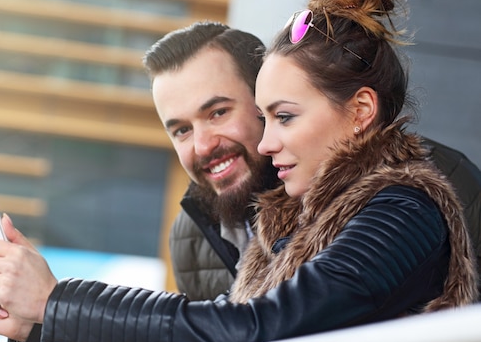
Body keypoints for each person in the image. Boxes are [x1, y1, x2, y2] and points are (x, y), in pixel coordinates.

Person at [0, 0, 478, 342]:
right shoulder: (287, 225)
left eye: (283, 116)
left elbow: (255, 327)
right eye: (181, 129)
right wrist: (37, 328)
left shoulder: (408, 207)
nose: (268, 142)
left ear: (361, 111)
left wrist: (58, 302)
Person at [144, 24, 481, 301]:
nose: (203, 146)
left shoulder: (439, 184)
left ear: (264, 97)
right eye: (182, 130)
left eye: (218, 113)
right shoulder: (190, 234)